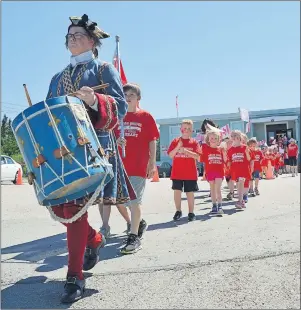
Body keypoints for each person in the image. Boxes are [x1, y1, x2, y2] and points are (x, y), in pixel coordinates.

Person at [45, 14, 135, 303]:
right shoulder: (57, 78)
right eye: (68, 36)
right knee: (62, 207)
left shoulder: (103, 69)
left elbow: (121, 107)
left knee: (75, 208)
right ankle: (94, 238)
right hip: (64, 153)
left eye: (77, 35)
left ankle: (74, 278)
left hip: (95, 147)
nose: (71, 39)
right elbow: (49, 114)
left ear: (92, 41)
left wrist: (95, 100)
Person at [112, 83, 160, 254]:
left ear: (138, 98)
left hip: (138, 166)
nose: (128, 97)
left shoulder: (146, 117)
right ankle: (136, 223)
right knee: (118, 201)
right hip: (119, 167)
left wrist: (152, 162)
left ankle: (134, 237)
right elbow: (109, 139)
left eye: (132, 94)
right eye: (125, 94)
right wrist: (116, 142)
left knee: (134, 201)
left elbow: (152, 140)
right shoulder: (117, 118)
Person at [168, 119, 202, 222]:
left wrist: (186, 151)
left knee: (190, 193)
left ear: (192, 130)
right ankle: (178, 211)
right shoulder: (175, 141)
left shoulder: (194, 142)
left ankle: (191, 212)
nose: (186, 130)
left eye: (189, 129)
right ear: (181, 129)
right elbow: (170, 155)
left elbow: (199, 157)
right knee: (177, 191)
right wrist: (178, 146)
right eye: (184, 128)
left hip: (190, 173)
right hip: (177, 172)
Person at [200, 129, 227, 214]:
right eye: (211, 138)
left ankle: (220, 206)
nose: (213, 140)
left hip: (219, 172)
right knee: (212, 189)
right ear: (208, 139)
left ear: (219, 140)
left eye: (215, 138)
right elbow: (201, 158)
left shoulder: (221, 149)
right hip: (210, 172)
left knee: (218, 189)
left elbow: (225, 160)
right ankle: (214, 205)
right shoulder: (205, 148)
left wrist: (225, 151)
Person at [227, 130, 251, 209]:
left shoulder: (244, 147)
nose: (235, 138)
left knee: (241, 183)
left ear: (240, 138)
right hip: (235, 170)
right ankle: (242, 201)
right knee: (238, 185)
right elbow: (230, 161)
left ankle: (240, 201)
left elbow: (249, 158)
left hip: (243, 169)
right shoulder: (230, 150)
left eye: (236, 136)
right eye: (233, 136)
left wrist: (247, 152)